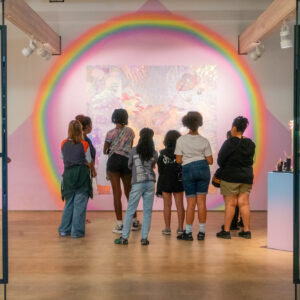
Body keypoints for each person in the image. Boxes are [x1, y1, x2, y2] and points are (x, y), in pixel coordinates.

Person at [114, 128, 158, 246]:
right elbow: (153, 165)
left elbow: (129, 165)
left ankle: (124, 238)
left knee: (130, 210)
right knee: (147, 212)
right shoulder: (154, 152)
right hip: (150, 183)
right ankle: (144, 239)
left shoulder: (133, 150)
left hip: (137, 182)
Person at [175, 111, 213, 241]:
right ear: (199, 123)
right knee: (201, 202)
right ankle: (201, 232)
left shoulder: (180, 140)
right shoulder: (205, 141)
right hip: (203, 169)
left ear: (186, 123)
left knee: (191, 203)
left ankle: (189, 233)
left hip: (188, 169)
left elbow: (179, 160)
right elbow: (210, 161)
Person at [216, 116, 255, 239]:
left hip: (231, 177)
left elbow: (220, 160)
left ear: (234, 128)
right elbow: (250, 160)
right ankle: (246, 231)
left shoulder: (229, 143)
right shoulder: (250, 144)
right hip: (246, 177)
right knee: (244, 203)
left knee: (230, 204)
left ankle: (226, 232)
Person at [58, 120, 97, 238]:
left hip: (68, 175)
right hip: (81, 175)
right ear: (80, 130)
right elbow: (89, 161)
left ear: (69, 130)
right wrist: (93, 171)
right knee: (79, 204)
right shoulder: (84, 144)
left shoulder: (63, 143)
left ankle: (64, 230)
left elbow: (62, 157)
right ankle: (77, 232)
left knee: (69, 203)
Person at [103, 109, 139, 234]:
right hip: (126, 162)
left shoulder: (110, 133)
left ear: (114, 118)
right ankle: (134, 221)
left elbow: (104, 150)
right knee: (129, 192)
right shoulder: (130, 132)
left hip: (113, 162)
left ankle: (120, 224)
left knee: (116, 194)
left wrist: (113, 148)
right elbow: (129, 147)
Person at [157, 130, 185, 235]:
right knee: (180, 205)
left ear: (166, 141)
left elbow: (160, 171)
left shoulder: (162, 155)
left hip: (165, 182)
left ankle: (167, 229)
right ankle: (181, 228)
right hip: (178, 181)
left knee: (167, 206)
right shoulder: (181, 154)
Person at [76, 115, 96, 224]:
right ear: (87, 126)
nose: (92, 127)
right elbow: (88, 158)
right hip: (84, 170)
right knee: (82, 195)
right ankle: (80, 219)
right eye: (91, 125)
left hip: (81, 170)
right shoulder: (85, 140)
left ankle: (80, 217)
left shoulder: (79, 138)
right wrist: (93, 170)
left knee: (79, 196)